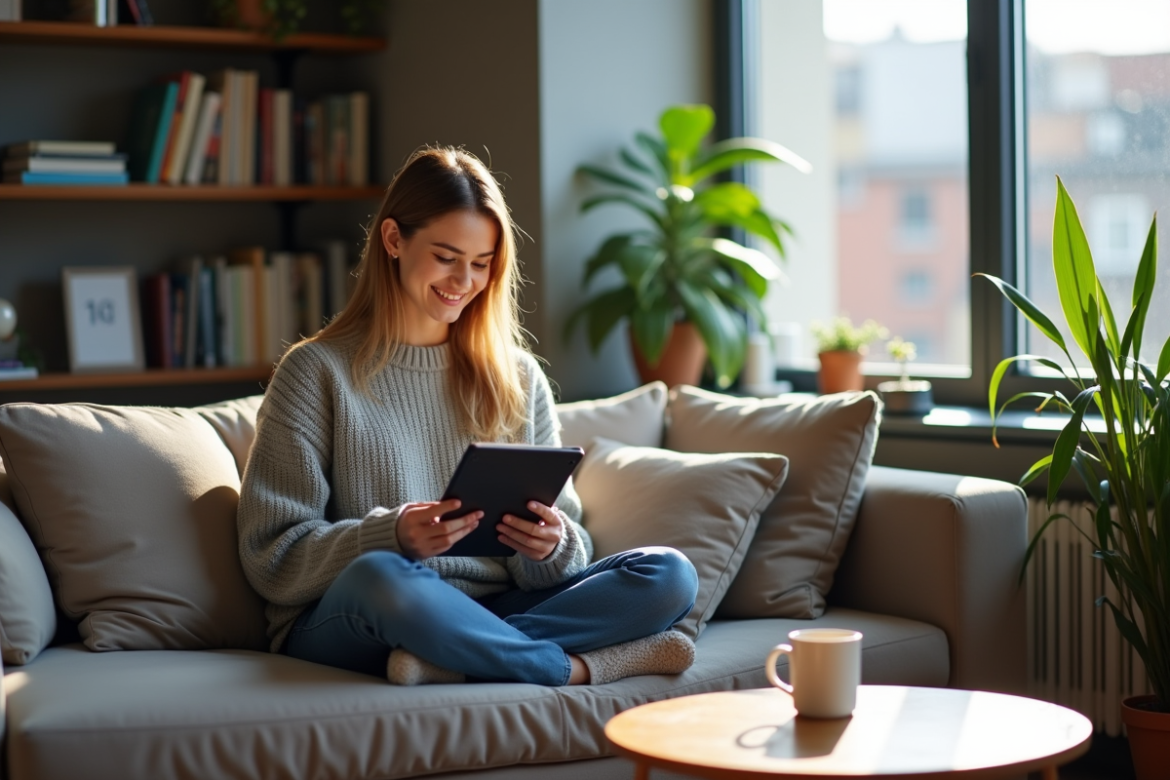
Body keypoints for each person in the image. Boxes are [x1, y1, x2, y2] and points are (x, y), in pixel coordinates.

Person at [237, 146, 699, 686]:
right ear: (393, 240)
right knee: (382, 575)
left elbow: (566, 550)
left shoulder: (518, 377)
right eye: (447, 256)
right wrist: (392, 537)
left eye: (482, 264)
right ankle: (568, 667)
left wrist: (550, 545)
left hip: (492, 610)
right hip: (363, 614)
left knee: (667, 574)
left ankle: (451, 660)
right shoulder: (316, 372)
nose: (464, 280)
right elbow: (273, 556)